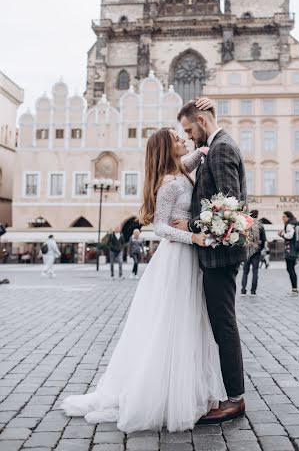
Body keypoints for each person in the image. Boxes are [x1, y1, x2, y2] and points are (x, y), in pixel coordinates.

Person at [61, 98, 227, 433]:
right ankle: (162, 392)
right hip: (176, 258)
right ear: (168, 148)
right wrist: (194, 238)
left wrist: (210, 121)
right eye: (177, 138)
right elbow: (160, 228)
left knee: (190, 320)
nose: (184, 138)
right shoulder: (169, 182)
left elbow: (202, 151)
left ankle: (184, 386)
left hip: (186, 259)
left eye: (183, 135)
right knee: (173, 322)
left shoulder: (183, 169)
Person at [173, 99, 254, 424]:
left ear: (203, 121)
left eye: (189, 129)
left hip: (220, 256)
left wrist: (190, 226)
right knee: (221, 324)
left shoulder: (220, 148)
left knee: (224, 324)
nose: (189, 137)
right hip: (217, 254)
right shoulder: (216, 144)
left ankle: (235, 398)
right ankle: (227, 391)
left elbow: (228, 206)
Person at [241, 210, 266, 296]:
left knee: (245, 272)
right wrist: (259, 248)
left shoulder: (247, 224)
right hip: (256, 252)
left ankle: (243, 291)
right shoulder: (260, 225)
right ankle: (253, 291)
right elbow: (264, 240)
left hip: (247, 251)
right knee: (255, 272)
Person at [278, 211, 299, 296]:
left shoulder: (289, 225)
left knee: (290, 269)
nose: (283, 218)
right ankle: (294, 289)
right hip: (294, 249)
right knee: (291, 269)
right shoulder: (295, 224)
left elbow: (289, 236)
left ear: (288, 217)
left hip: (290, 250)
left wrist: (282, 234)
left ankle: (294, 289)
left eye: (284, 216)